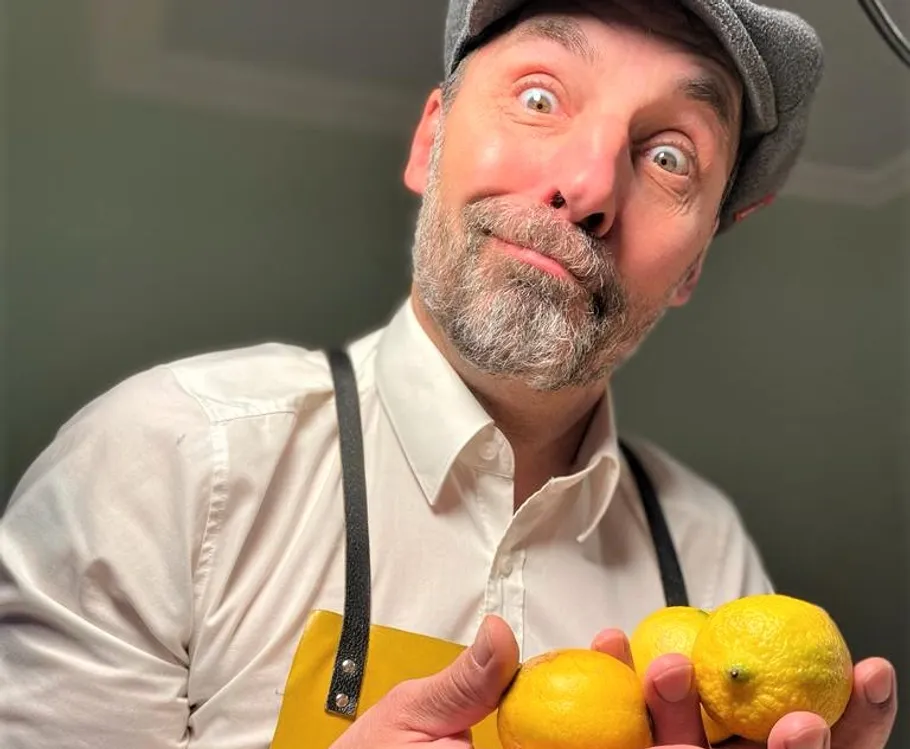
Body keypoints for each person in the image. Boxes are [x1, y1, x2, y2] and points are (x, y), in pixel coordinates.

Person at [0, 0, 898, 747]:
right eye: (540, 97)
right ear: (431, 138)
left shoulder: (710, 559)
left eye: (670, 157)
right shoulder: (164, 461)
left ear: (698, 260)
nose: (587, 187)